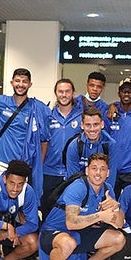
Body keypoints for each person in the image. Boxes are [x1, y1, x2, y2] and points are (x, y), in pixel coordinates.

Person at [40, 153, 126, 260]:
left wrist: (116, 207)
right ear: (87, 171)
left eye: (102, 169)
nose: (98, 173)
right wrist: (100, 216)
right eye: (94, 168)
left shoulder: (107, 189)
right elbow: (71, 223)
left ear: (108, 173)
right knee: (68, 243)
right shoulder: (78, 187)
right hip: (54, 231)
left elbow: (119, 224)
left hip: (81, 232)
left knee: (118, 239)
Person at [0, 68, 49, 195]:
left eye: (24, 81)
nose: (20, 85)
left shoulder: (37, 108)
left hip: (23, 167)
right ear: (12, 82)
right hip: (1, 163)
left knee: (19, 207)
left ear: (30, 84)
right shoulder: (0, 102)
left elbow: (44, 140)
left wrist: (38, 165)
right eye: (17, 81)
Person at [42, 78, 82, 217]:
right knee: (47, 213)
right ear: (55, 93)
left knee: (69, 214)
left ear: (73, 93)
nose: (64, 95)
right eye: (60, 92)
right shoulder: (47, 115)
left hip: (73, 174)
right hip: (49, 173)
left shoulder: (81, 117)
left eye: (67, 91)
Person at [64, 107, 118, 190]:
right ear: (82, 125)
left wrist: (104, 196)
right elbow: (72, 180)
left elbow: (110, 178)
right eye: (88, 125)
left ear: (102, 124)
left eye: (96, 124)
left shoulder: (110, 145)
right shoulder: (74, 146)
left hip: (102, 191)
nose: (92, 129)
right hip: (80, 191)